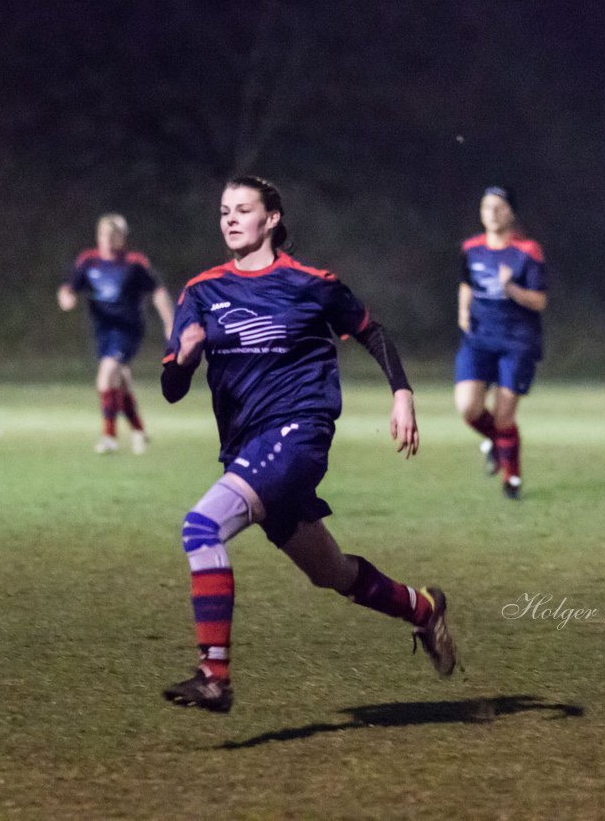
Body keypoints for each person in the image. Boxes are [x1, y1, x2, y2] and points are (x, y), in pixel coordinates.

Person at [158, 176, 457, 713]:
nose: (229, 219)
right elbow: (172, 390)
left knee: (201, 526)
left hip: (298, 433)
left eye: (242, 210)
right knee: (332, 573)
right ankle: (425, 609)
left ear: (271, 218)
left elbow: (371, 330)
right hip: (248, 448)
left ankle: (214, 675)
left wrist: (403, 393)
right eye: (223, 210)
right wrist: (183, 358)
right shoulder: (200, 292)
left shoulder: (310, 282)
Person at [453, 186, 548, 500]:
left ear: (511, 212)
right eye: (486, 207)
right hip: (479, 339)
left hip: (516, 341)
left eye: (499, 207)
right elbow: (467, 283)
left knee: (504, 416)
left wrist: (511, 288)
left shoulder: (528, 251)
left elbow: (539, 301)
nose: (492, 213)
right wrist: (463, 311)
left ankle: (512, 479)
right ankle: (499, 443)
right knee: (468, 408)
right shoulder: (471, 248)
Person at [58, 213, 175, 454]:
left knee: (106, 376)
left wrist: (169, 322)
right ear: (98, 236)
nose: (108, 240)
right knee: (120, 384)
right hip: (103, 330)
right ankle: (139, 431)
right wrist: (66, 298)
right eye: (104, 234)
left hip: (128, 329)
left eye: (114, 235)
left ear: (123, 238)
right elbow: (69, 287)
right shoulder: (88, 261)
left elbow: (158, 291)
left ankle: (109, 438)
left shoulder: (134, 263)